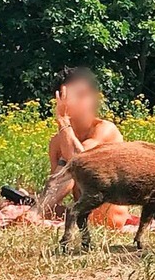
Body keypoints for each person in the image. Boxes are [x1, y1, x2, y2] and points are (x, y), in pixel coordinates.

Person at [43, 67, 130, 228]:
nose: (83, 101)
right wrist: (38, 206)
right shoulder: (56, 142)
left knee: (68, 165)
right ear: (60, 99)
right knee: (12, 204)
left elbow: (80, 159)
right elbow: (58, 185)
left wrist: (62, 119)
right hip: (83, 214)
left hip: (108, 217)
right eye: (76, 95)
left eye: (85, 95)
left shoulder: (105, 129)